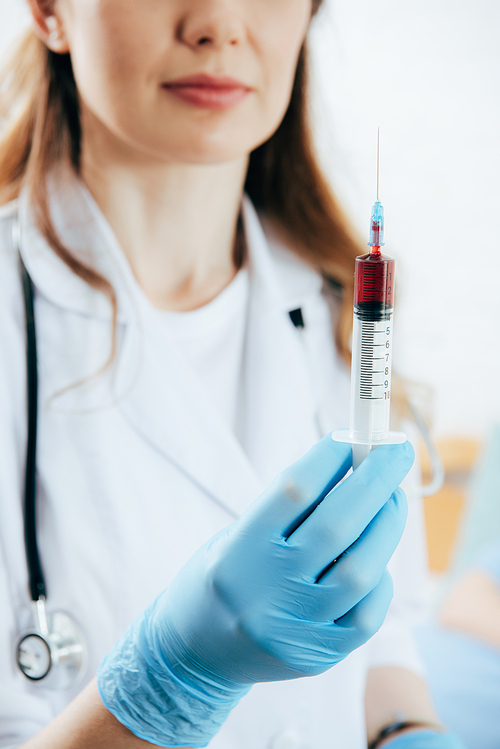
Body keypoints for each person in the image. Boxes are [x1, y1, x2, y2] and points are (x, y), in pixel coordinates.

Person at [0, 0, 465, 747]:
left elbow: (385, 629)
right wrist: (169, 683)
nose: (218, 22)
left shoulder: (335, 305)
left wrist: (407, 725)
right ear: (51, 11)